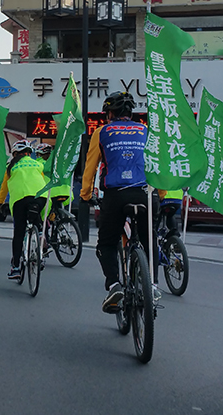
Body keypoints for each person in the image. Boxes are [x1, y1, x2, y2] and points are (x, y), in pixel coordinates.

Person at [80, 91, 154, 313]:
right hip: (144, 194)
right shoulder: (146, 131)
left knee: (106, 243)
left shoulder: (102, 132)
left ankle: (114, 285)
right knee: (150, 241)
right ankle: (152, 285)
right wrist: (160, 193)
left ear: (110, 113)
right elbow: (156, 165)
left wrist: (85, 195)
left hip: (116, 195)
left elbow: (91, 167)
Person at [0, 141, 46, 280]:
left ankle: (16, 268)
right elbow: (41, 180)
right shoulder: (37, 164)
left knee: (19, 233)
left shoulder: (11, 167)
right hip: (41, 197)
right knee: (35, 213)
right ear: (29, 153)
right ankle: (40, 235)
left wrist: (0, 202)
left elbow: (4, 187)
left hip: (20, 198)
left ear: (15, 154)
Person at [36, 143, 72, 218]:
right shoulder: (59, 163)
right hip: (67, 192)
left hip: (51, 193)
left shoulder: (39, 163)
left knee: (42, 211)